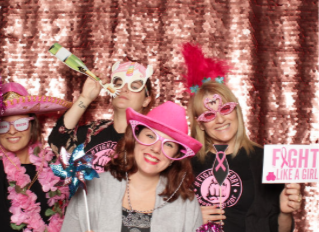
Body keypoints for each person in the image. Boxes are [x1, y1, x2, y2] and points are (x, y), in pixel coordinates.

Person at [183, 43, 302, 232]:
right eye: (209, 114)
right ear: (200, 124)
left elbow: (281, 230)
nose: (220, 119)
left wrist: (285, 212)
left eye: (225, 109)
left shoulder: (265, 161)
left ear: (236, 110)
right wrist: (189, 218)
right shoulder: (185, 164)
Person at [61, 101, 204, 232]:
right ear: (135, 138)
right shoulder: (91, 189)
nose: (156, 148)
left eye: (168, 144)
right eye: (150, 136)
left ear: (176, 156)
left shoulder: (187, 205)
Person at [0, 78, 71, 232]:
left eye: (20, 123)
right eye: (3, 125)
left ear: (32, 125)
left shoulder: (54, 170)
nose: (12, 131)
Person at [48, 61, 155, 173]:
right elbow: (57, 141)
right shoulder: (94, 131)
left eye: (134, 86)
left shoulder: (148, 139)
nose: (124, 89)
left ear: (146, 100)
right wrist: (85, 98)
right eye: (118, 84)